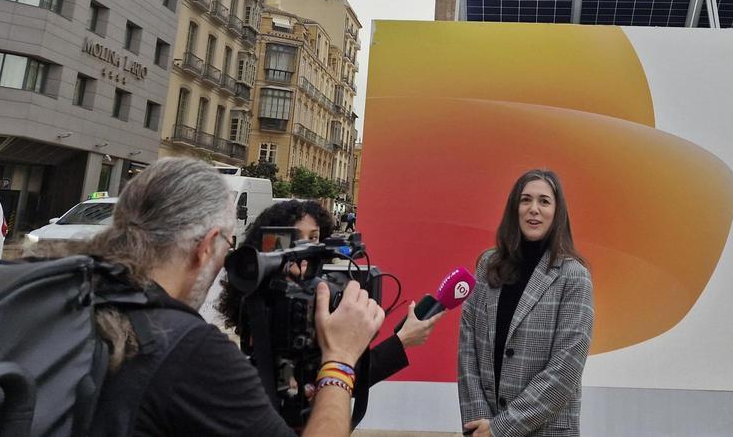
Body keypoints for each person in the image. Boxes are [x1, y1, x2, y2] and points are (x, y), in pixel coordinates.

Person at [78, 158, 384, 437]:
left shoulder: (77, 300)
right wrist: (339, 360)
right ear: (207, 246)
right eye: (228, 243)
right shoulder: (191, 349)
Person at [216, 198, 443, 385]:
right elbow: (336, 382)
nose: (305, 249)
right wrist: (402, 341)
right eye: (294, 238)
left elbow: (338, 379)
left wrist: (401, 341)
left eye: (313, 237)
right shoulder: (263, 303)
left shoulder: (320, 294)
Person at [458, 169, 594, 437]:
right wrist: (479, 422)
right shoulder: (488, 265)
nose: (534, 209)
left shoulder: (574, 277)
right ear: (514, 208)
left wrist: (500, 428)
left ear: (557, 212)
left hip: (546, 429)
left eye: (544, 201)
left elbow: (566, 370)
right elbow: (468, 344)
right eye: (525, 200)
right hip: (483, 427)